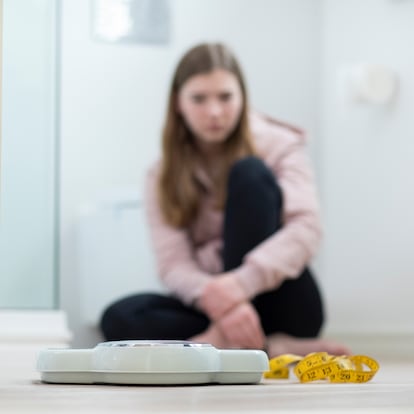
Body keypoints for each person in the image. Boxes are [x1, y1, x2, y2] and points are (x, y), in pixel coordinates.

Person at [100, 42, 350, 357]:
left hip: (281, 302)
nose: (215, 112)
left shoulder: (281, 144)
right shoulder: (160, 174)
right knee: (119, 318)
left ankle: (216, 344)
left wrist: (240, 285)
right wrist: (218, 301)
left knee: (250, 173)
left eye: (225, 97)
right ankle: (266, 347)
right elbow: (173, 263)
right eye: (199, 99)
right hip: (214, 304)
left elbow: (307, 229)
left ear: (243, 98)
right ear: (179, 103)